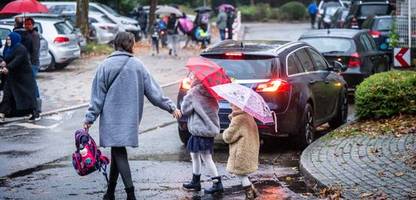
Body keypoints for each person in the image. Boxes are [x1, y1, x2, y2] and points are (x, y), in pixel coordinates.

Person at [83, 32, 181, 200]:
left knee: (119, 151)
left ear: (115, 44)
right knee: (117, 150)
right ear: (131, 45)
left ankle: (131, 194)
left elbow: (97, 97)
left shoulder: (105, 66)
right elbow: (154, 93)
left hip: (111, 120)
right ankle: (110, 193)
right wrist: (171, 107)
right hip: (130, 120)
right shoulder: (138, 65)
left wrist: (89, 118)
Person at [181, 77, 223, 195]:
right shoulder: (211, 92)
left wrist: (187, 94)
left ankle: (217, 183)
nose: (191, 78)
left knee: (206, 157)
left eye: (193, 76)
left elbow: (185, 109)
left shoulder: (194, 92)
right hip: (207, 130)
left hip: (199, 130)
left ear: (197, 79)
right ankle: (196, 181)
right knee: (194, 154)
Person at [222, 104, 260, 200]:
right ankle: (253, 191)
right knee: (242, 173)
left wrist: (225, 131)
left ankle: (249, 194)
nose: (231, 106)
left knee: (240, 173)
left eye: (232, 105)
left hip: (241, 152)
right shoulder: (248, 116)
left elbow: (228, 137)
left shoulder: (238, 119)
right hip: (248, 150)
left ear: (236, 106)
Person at [0, 32, 38, 121]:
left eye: (9, 39)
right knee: (7, 94)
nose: (8, 41)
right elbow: (7, 58)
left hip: (24, 78)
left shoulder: (20, 48)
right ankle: (2, 113)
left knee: (27, 96)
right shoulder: (8, 48)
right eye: (7, 39)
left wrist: (8, 67)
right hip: (12, 77)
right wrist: (3, 62)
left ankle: (34, 112)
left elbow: (17, 60)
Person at [24, 17, 41, 114]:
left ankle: (37, 103)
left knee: (32, 83)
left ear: (33, 25)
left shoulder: (35, 35)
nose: (26, 26)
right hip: (29, 63)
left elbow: (35, 51)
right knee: (31, 83)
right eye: (25, 24)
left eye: (29, 24)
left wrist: (30, 62)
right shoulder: (27, 34)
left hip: (33, 64)